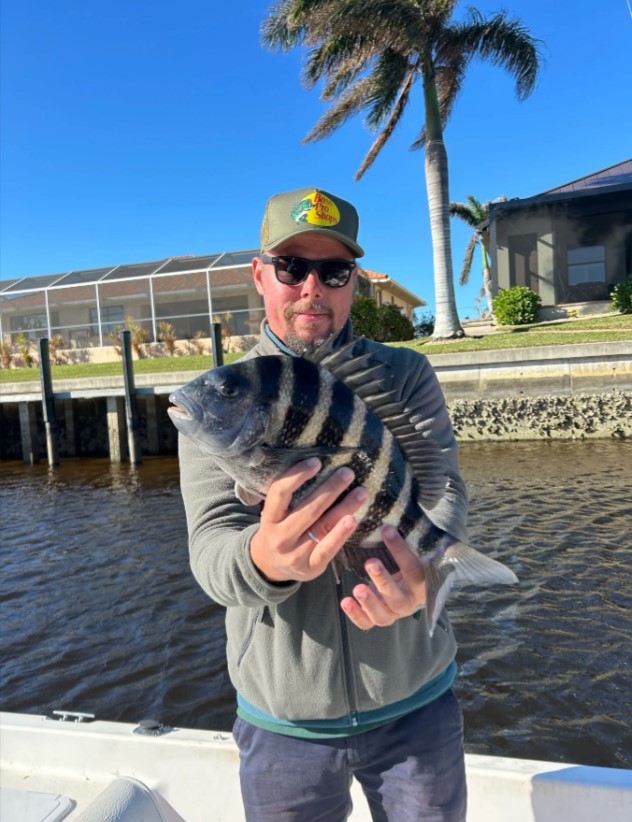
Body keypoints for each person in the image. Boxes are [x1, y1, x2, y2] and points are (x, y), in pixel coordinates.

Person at [178, 187, 469, 821]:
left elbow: (443, 491)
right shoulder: (222, 400)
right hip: (284, 724)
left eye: (333, 271)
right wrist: (266, 559)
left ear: (353, 283)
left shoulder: (404, 375)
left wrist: (424, 577)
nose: (312, 287)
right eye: (292, 267)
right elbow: (211, 553)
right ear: (260, 274)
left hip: (416, 703)